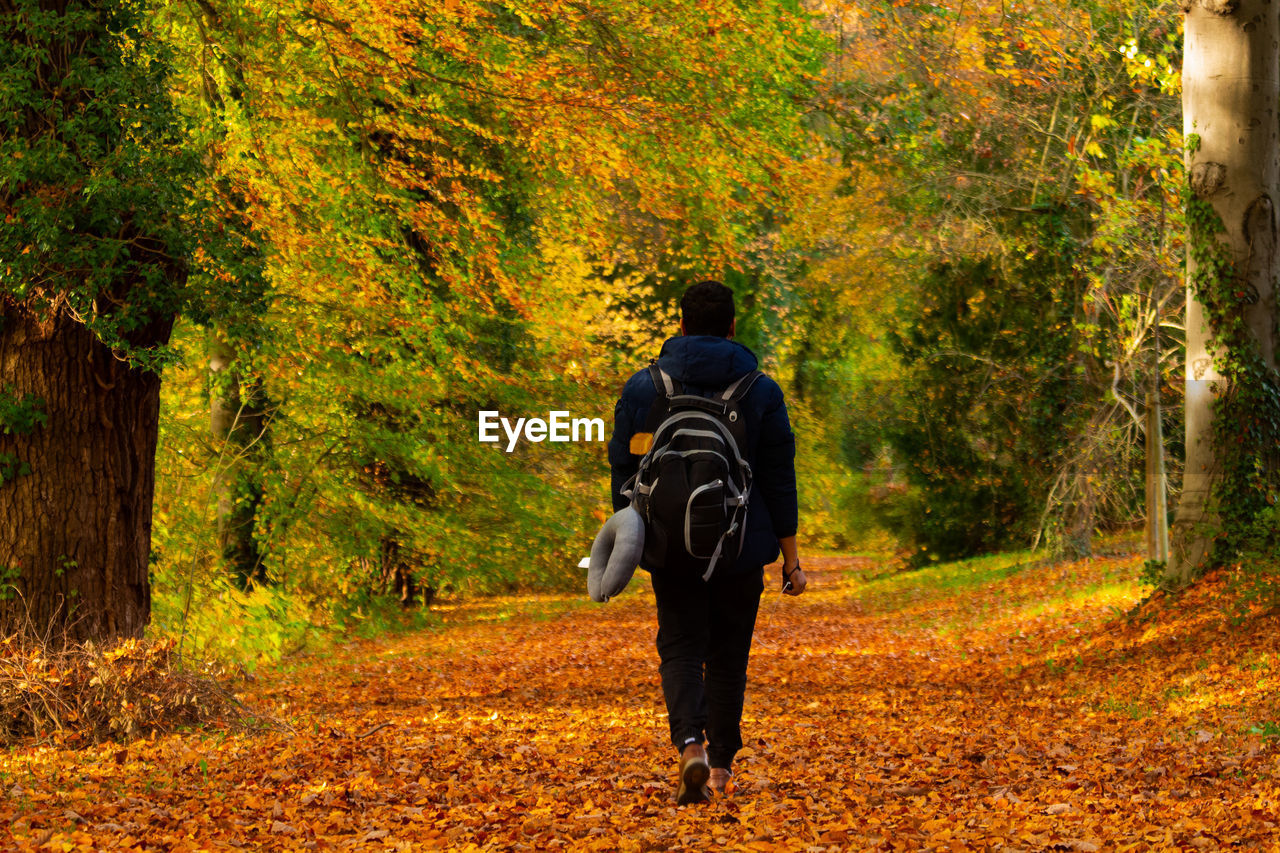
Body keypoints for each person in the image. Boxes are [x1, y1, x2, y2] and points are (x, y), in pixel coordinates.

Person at [608, 280, 806, 805]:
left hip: (670, 547)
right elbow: (778, 477)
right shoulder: (760, 390)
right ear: (733, 326)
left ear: (681, 325)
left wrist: (630, 539)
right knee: (728, 653)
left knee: (679, 645)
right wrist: (791, 560)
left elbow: (624, 468)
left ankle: (689, 745)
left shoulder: (644, 388)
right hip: (742, 545)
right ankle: (720, 769)